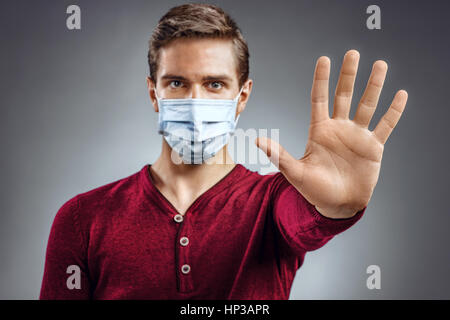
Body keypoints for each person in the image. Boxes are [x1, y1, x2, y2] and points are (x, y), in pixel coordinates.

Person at [40, 3, 407, 300]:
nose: (196, 100)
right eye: (177, 83)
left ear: (241, 95)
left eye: (214, 84)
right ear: (154, 93)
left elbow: (305, 221)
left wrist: (336, 207)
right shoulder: (81, 219)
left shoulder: (272, 203)